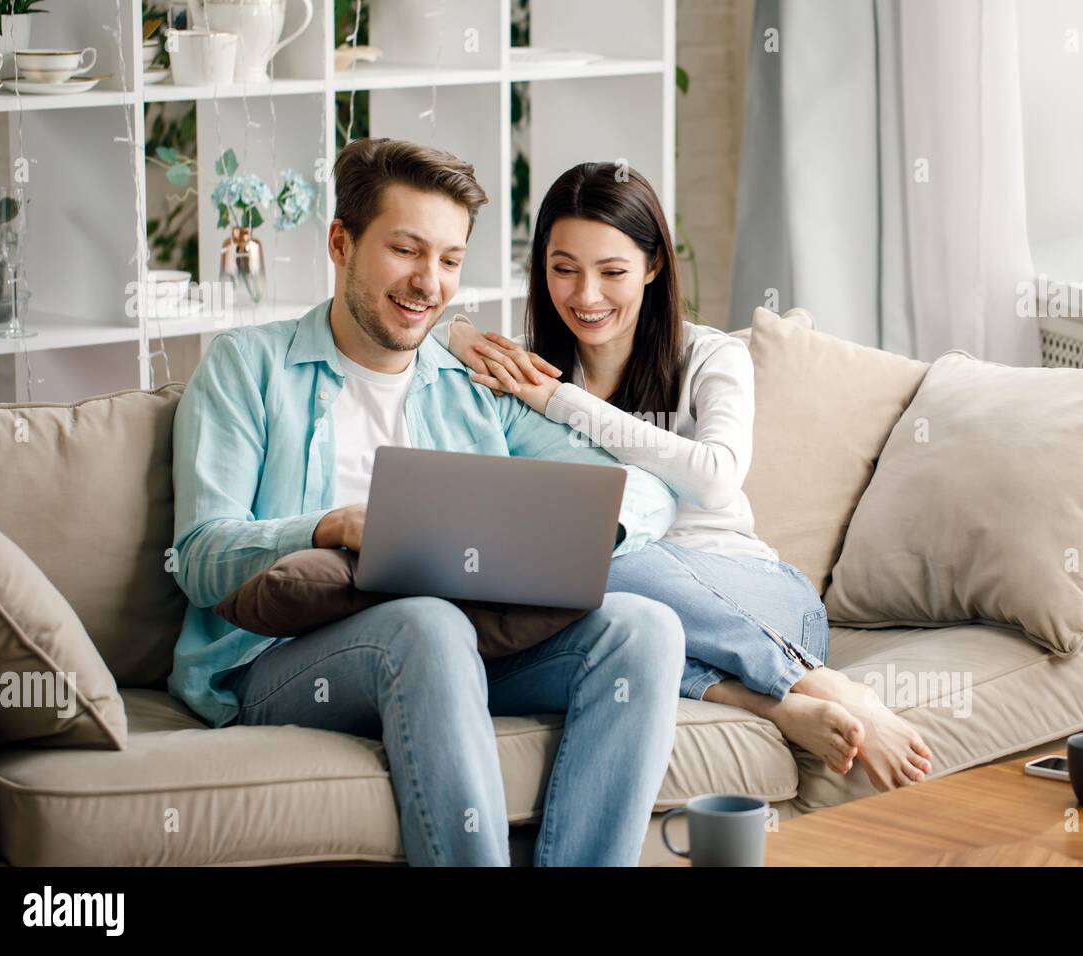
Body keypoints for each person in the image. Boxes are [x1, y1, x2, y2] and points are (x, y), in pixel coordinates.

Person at [168, 139, 687, 866]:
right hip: (277, 662)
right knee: (427, 623)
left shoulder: (473, 384)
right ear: (341, 243)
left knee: (645, 628)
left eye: (449, 260)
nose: (428, 283)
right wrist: (327, 526)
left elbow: (649, 494)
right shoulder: (247, 367)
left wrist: (574, 530)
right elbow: (197, 558)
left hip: (459, 647)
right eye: (406, 250)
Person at [444, 162, 933, 791]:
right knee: (592, 605)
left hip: (759, 608)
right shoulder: (522, 365)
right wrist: (458, 332)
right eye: (564, 269)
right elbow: (431, 338)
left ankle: (823, 685)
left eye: (612, 272)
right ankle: (777, 706)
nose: (586, 296)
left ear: (653, 266)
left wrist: (561, 401)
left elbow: (715, 477)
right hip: (627, 615)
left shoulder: (708, 356)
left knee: (594, 557)